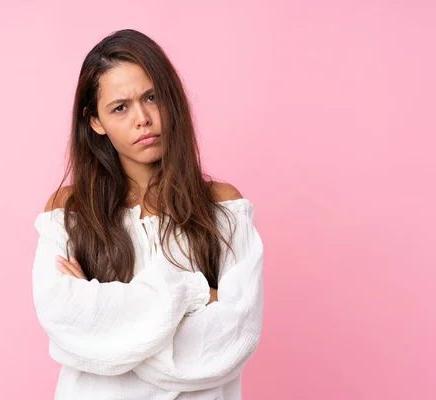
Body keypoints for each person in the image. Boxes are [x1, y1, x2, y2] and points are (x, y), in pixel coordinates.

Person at [32, 28, 264, 399]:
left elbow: (232, 340)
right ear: (96, 122)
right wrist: (195, 293)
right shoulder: (70, 211)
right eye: (120, 107)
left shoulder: (222, 207)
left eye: (151, 97)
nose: (142, 118)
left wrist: (108, 320)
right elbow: (66, 319)